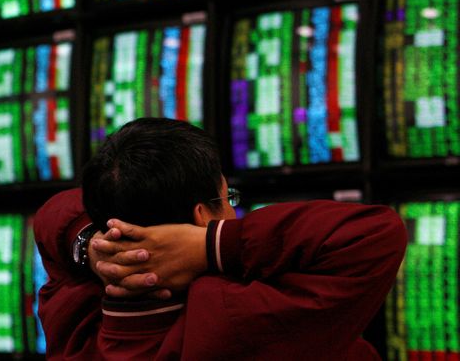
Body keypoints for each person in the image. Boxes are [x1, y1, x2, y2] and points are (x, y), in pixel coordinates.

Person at [34, 118, 407, 360]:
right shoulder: (236, 316)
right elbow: (376, 233)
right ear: (201, 217)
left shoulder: (75, 318)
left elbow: (53, 214)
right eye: (227, 200)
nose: (233, 212)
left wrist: (96, 248)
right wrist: (207, 246)